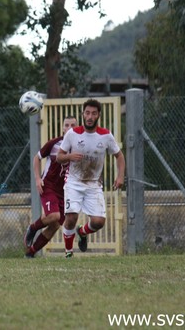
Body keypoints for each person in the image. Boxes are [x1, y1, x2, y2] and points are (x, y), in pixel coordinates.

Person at [57, 99, 125, 258]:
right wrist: (69, 156)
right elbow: (59, 157)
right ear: (83, 114)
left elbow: (119, 156)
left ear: (98, 116)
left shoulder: (106, 135)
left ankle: (82, 232)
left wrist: (120, 176)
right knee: (71, 217)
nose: (90, 116)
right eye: (87, 113)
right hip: (74, 182)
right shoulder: (72, 134)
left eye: (94, 113)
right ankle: (68, 253)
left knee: (98, 222)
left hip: (93, 184)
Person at [24, 116, 78, 258]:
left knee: (54, 225)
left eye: (73, 125)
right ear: (62, 128)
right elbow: (37, 158)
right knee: (54, 216)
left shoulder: (80, 147)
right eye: (67, 125)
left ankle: (30, 253)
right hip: (48, 186)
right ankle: (33, 228)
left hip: (65, 191)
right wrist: (37, 179)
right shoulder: (54, 144)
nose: (70, 128)